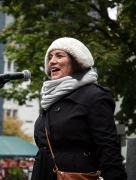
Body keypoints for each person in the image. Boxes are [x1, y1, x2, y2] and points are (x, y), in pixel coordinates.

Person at [31, 37, 127, 180]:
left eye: (59, 55)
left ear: (77, 62)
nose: (52, 61)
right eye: (50, 57)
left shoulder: (94, 96)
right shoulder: (50, 100)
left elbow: (108, 148)